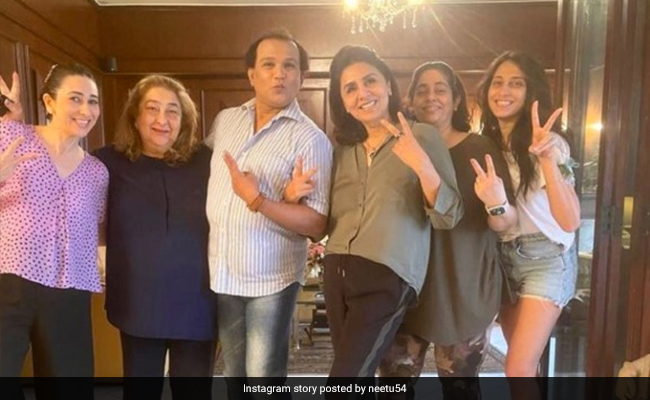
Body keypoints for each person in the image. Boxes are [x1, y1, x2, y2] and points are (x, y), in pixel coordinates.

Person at [318, 45, 462, 380]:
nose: (362, 93)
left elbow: (450, 215)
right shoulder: (342, 150)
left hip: (387, 274)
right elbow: (324, 221)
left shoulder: (421, 135)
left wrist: (423, 166)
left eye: (370, 81)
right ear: (343, 102)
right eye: (350, 88)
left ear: (388, 85)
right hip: (336, 270)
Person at [377, 61, 517, 399]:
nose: (431, 97)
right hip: (407, 288)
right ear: (410, 101)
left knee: (461, 391)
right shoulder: (397, 148)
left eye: (440, 89)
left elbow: (505, 222)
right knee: (393, 388)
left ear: (456, 100)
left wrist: (496, 202)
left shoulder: (480, 148)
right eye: (421, 90)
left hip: (464, 289)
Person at [204, 30, 332, 396]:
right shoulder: (227, 120)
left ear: (301, 76)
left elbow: (317, 224)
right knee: (234, 374)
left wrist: (259, 200)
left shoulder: (310, 139)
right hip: (223, 272)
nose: (279, 74)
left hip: (271, 279)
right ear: (252, 75)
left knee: (263, 378)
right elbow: (201, 169)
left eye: (289, 66)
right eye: (269, 65)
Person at [93, 75, 217, 399]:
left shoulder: (207, 161)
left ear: (184, 120)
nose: (162, 119)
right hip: (137, 302)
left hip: (197, 302)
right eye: (152, 108)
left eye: (173, 111)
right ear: (135, 116)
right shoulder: (105, 163)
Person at [0, 65, 108, 396]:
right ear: (49, 102)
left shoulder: (97, 173)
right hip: (10, 283)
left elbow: (95, 231)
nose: (86, 110)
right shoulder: (11, 137)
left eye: (92, 101)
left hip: (70, 291)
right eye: (75, 98)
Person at [476, 51, 581, 378]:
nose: (504, 91)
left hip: (547, 258)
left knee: (517, 368)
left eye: (516, 84)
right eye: (497, 82)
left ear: (531, 91)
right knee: (525, 366)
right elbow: (498, 218)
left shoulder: (550, 144)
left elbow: (570, 220)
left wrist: (547, 160)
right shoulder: (487, 144)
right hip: (504, 258)